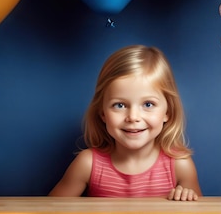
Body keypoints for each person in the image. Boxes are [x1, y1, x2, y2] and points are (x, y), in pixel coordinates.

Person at [49, 45, 202, 201]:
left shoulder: (179, 165)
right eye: (119, 105)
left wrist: (187, 199)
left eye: (148, 104)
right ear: (102, 113)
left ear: (167, 112)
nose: (133, 117)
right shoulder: (87, 163)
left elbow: (202, 210)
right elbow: (49, 209)